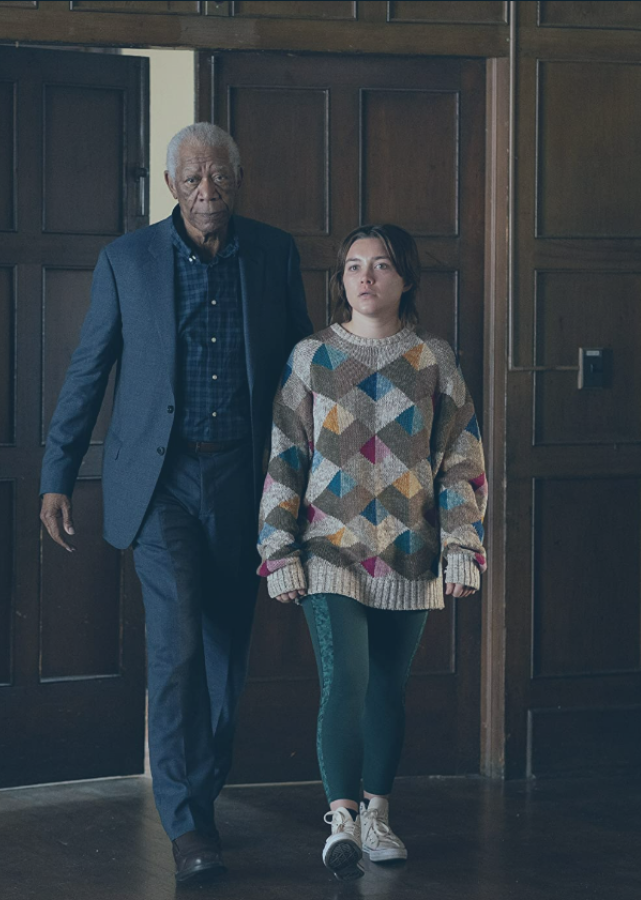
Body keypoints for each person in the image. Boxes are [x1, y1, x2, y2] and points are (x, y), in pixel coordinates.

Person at [39, 122, 313, 883]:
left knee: (228, 654)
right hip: (160, 487)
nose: (206, 191)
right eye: (191, 179)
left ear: (237, 180)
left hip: (246, 480)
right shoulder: (126, 260)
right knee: (179, 645)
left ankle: (204, 781)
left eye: (218, 177)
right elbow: (88, 369)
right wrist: (55, 472)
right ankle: (189, 822)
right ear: (169, 188)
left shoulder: (273, 252)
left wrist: (319, 480)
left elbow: (302, 374)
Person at [256, 223, 487, 881]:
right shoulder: (313, 358)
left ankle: (378, 814)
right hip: (329, 550)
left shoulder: (434, 360)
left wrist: (463, 546)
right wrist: (278, 548)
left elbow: (461, 460)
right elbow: (286, 455)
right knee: (347, 681)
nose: (365, 277)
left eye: (381, 266)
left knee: (389, 685)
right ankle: (342, 819)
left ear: (405, 279)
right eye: (354, 266)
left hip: (413, 549)